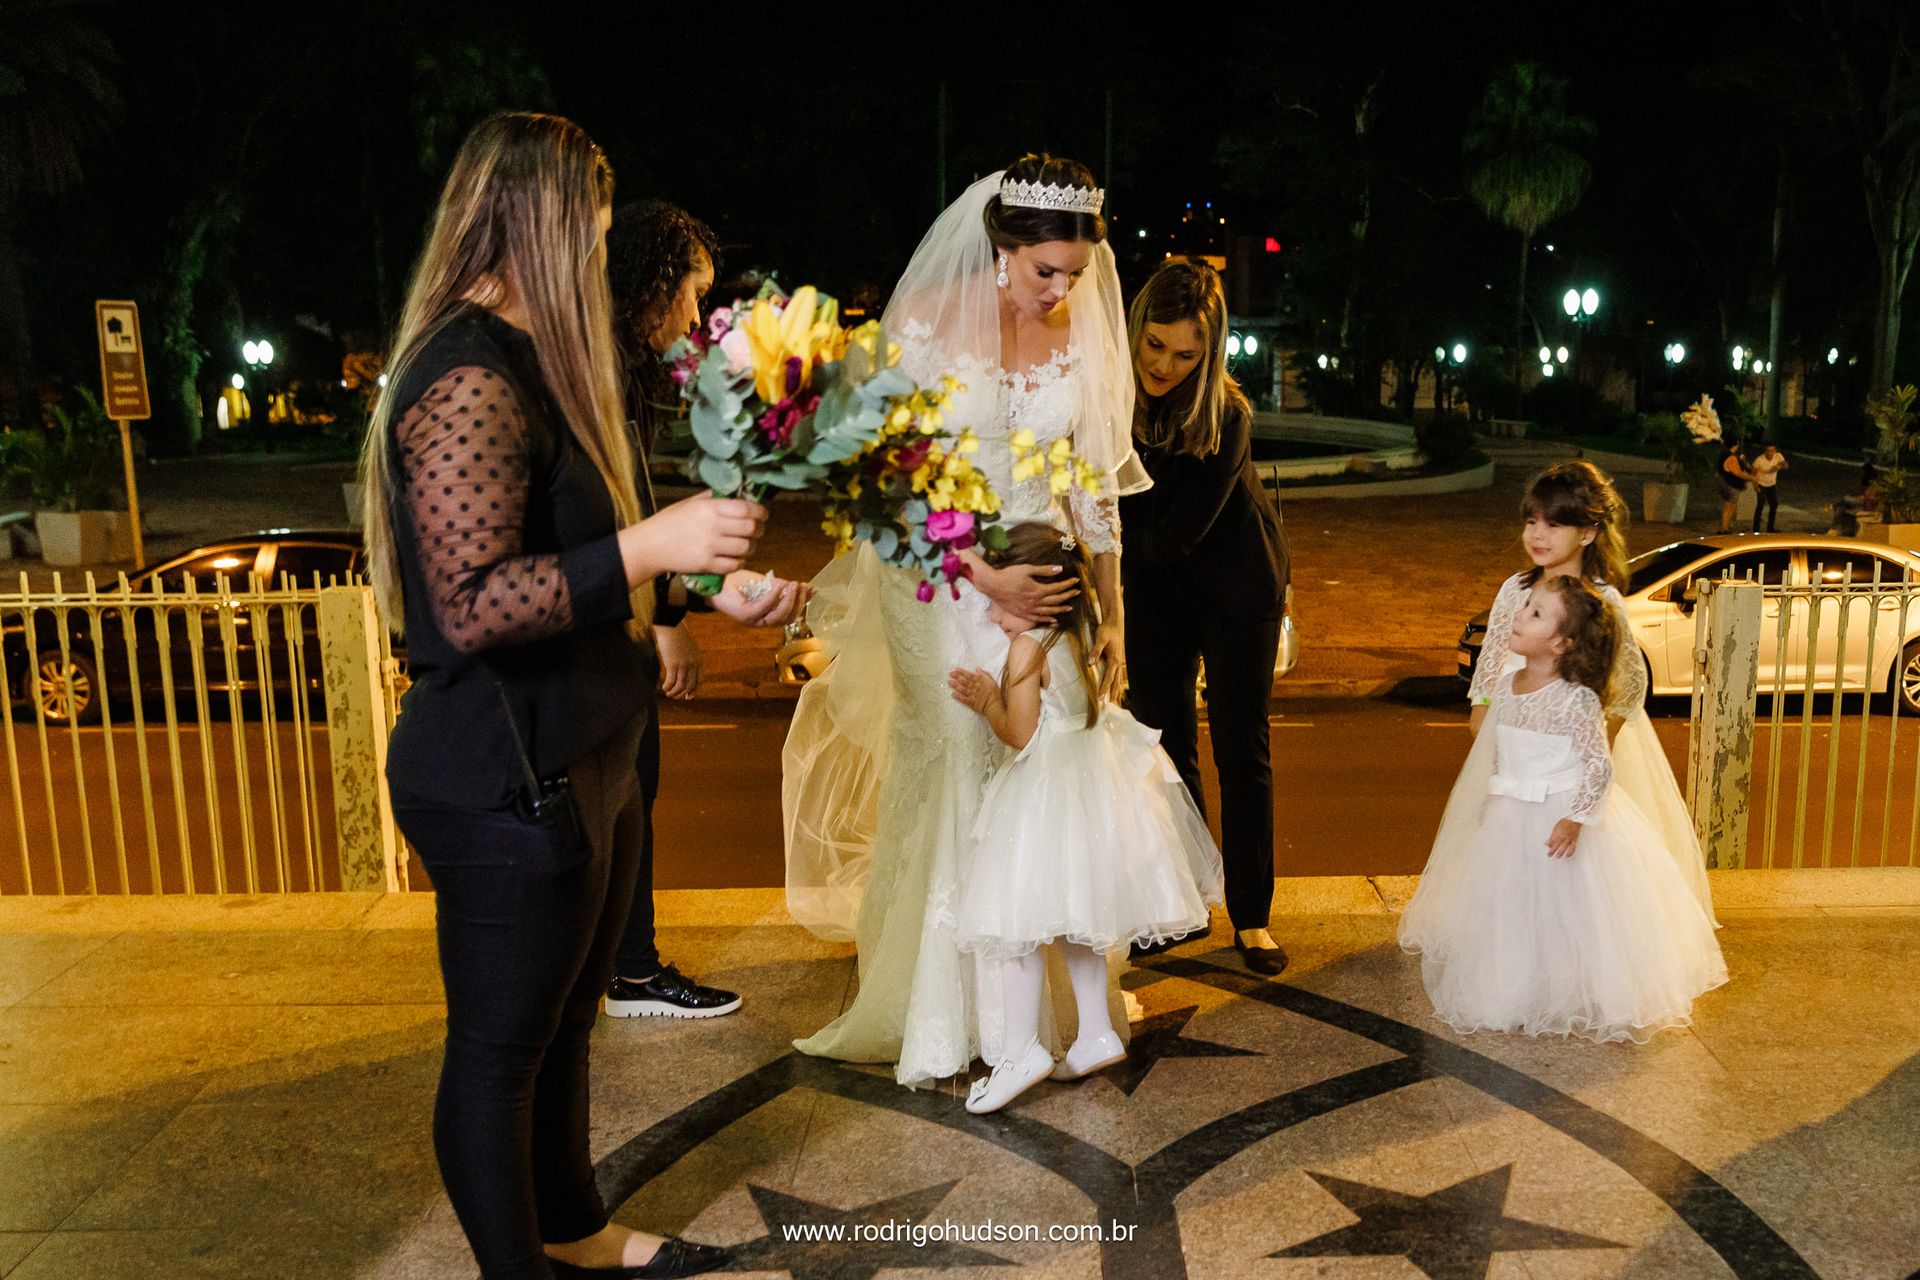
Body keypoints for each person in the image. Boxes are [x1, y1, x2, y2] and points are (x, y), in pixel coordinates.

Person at [358, 113, 754, 1279]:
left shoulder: (535, 359)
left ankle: (570, 1224)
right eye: (583, 223)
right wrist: (650, 546)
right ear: (526, 220)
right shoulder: (468, 369)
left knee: (567, 1023)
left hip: (588, 745)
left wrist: (699, 582)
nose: (595, 247)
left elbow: (567, 550)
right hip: (501, 773)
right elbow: (475, 600)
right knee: (498, 1051)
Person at [783, 154, 1146, 1088]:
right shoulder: (921, 325)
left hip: (1044, 582)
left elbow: (1090, 485)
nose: (1061, 291)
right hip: (938, 574)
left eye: (1075, 274)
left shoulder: (1083, 333)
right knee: (960, 744)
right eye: (1044, 273)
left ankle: (1045, 1018)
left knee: (1039, 763)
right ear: (1000, 246)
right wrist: (986, 575)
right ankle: (951, 1011)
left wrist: (1110, 613)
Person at [602, 199, 808, 1021]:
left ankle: (625, 965)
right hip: (609, 625)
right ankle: (632, 971)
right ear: (648, 285)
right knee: (623, 801)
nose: (695, 314)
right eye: (690, 292)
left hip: (628, 609)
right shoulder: (594, 374)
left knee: (631, 798)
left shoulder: (622, 372)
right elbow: (615, 524)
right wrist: (668, 617)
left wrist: (709, 594)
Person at [947, 523, 1222, 1112]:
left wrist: (984, 700)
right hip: (1090, 785)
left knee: (1015, 924)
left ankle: (1019, 1050)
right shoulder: (1080, 641)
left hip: (1044, 793)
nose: (995, 619)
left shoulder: (1027, 649)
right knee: (1080, 918)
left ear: (1043, 594)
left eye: (999, 606)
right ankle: (1095, 1030)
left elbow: (1020, 735)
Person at [1399, 575, 1726, 1042]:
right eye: (1525, 605)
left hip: (1559, 814)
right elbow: (1498, 748)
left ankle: (1576, 987)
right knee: (1512, 903)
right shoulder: (1508, 686)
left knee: (1569, 908)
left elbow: (1598, 767)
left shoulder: (1576, 699)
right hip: (1512, 814)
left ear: (1561, 642)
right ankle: (1515, 987)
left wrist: (1576, 819)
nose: (1518, 614)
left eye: (1534, 613)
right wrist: (1492, 796)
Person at [1118, 258, 1291, 975]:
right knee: (1160, 745)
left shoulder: (1228, 415)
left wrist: (1099, 547)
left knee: (1238, 750)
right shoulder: (1110, 398)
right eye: (1154, 345)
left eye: (1186, 353)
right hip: (1153, 588)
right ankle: (1182, 904)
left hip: (1236, 585)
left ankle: (1251, 917)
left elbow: (1168, 535)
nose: (1165, 365)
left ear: (1210, 351)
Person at [1467, 461, 1717, 919]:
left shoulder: (1600, 600)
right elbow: (1490, 664)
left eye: (1554, 524)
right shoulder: (1514, 590)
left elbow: (1629, 685)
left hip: (1569, 758)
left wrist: (1588, 746)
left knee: (1573, 876)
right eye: (1531, 521)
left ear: (1587, 533)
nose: (1537, 535)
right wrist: (1483, 712)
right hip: (1515, 742)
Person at [1751, 442, 1789, 532]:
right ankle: (1756, 529)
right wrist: (1756, 487)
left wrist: (1778, 467)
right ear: (1765, 451)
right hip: (1761, 484)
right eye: (1768, 450)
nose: (1770, 453)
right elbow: (1753, 475)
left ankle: (1770, 528)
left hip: (1772, 484)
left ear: (1775, 451)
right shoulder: (1759, 460)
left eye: (1772, 450)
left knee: (1774, 505)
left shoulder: (1778, 456)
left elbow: (1786, 466)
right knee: (1760, 506)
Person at [1716, 441, 1752, 535]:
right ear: (1735, 445)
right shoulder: (1731, 457)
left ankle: (1724, 527)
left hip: (1726, 483)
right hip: (1731, 484)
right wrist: (1751, 477)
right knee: (1729, 506)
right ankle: (1724, 528)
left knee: (1727, 506)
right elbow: (1738, 473)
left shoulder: (1723, 455)